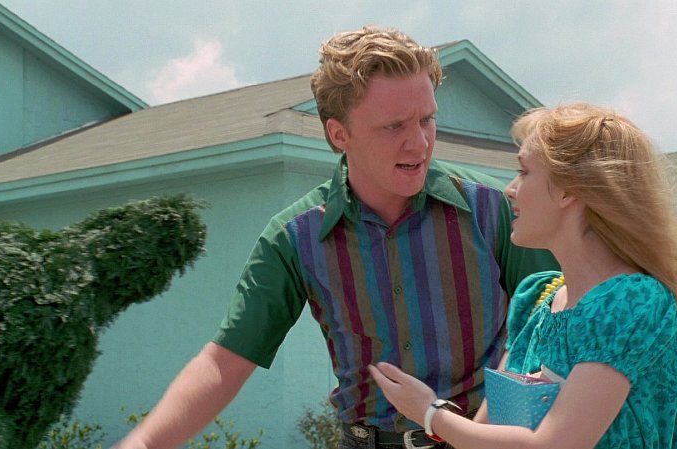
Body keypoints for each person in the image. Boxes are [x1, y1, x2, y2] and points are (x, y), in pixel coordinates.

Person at [113, 26, 557, 449]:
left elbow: (557, 333)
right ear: (339, 133)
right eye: (394, 126)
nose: (419, 143)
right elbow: (225, 361)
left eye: (427, 120)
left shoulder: (497, 211)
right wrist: (146, 441)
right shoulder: (294, 237)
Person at [370, 103, 677, 449]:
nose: (510, 190)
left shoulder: (633, 302)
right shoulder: (537, 299)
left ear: (568, 190)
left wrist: (430, 412)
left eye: (524, 172)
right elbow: (488, 433)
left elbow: (555, 444)